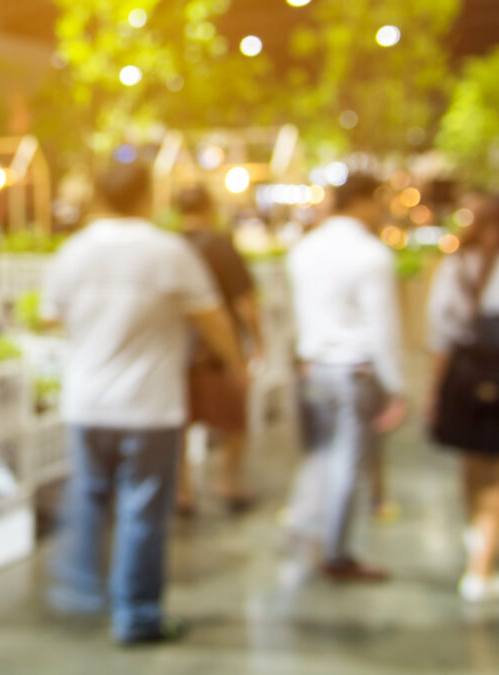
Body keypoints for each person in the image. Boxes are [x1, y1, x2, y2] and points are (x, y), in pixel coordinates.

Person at [42, 160, 246, 645]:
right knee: (143, 509)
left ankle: (83, 590)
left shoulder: (73, 252)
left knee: (91, 496)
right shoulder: (167, 252)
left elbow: (51, 317)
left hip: (87, 400)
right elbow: (212, 318)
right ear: (146, 195)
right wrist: (235, 364)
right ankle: (135, 614)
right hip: (148, 405)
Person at [285, 173, 407, 583]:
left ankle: (310, 535)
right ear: (364, 200)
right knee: (345, 462)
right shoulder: (370, 253)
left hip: (315, 367)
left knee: (319, 454)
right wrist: (397, 388)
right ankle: (334, 553)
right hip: (354, 370)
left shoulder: (306, 249)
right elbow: (383, 327)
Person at [174, 185, 264, 514]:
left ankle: (182, 490)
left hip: (177, 350)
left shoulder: (171, 246)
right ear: (209, 207)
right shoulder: (221, 246)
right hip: (217, 350)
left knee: (182, 421)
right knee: (234, 420)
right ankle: (227, 480)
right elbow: (244, 302)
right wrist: (256, 343)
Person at [426, 196, 499, 602]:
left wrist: (434, 390)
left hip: (464, 377)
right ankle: (481, 567)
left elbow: (440, 335)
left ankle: (477, 535)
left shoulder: (454, 267)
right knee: (494, 474)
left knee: (473, 462)